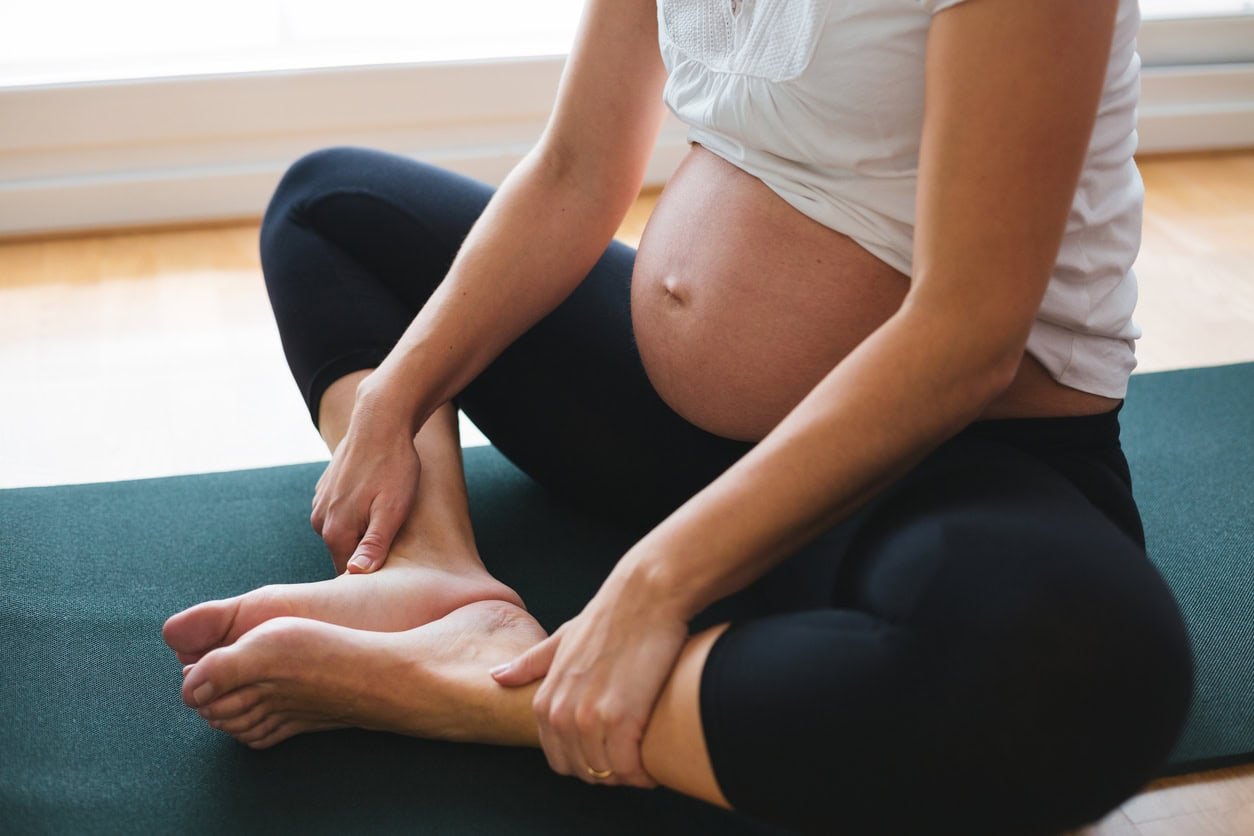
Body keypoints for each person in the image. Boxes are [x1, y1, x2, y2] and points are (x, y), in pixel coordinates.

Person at [164, 0, 1194, 832]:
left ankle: (491, 692)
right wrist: (398, 394)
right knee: (329, 205)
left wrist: (653, 583)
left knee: (1084, 667)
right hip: (672, 433)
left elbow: (967, 335)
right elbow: (574, 171)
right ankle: (438, 576)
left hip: (937, 463)